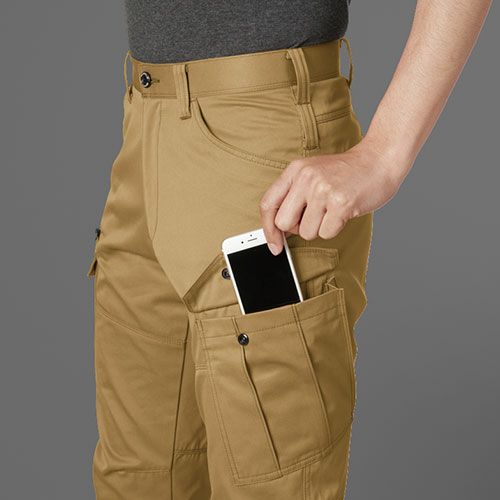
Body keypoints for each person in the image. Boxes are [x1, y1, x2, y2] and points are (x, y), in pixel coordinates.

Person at [87, 1, 492, 498]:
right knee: (136, 480)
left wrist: (384, 154)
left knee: (272, 485)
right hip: (143, 128)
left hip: (261, 141)